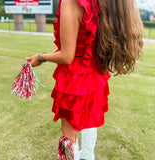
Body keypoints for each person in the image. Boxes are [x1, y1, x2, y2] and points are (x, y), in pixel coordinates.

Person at [27, 0, 143, 159]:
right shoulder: (99, 2)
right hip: (95, 75)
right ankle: (87, 156)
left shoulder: (71, 2)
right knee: (90, 122)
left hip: (74, 80)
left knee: (68, 137)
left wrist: (40, 57)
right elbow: (75, 43)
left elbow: (67, 56)